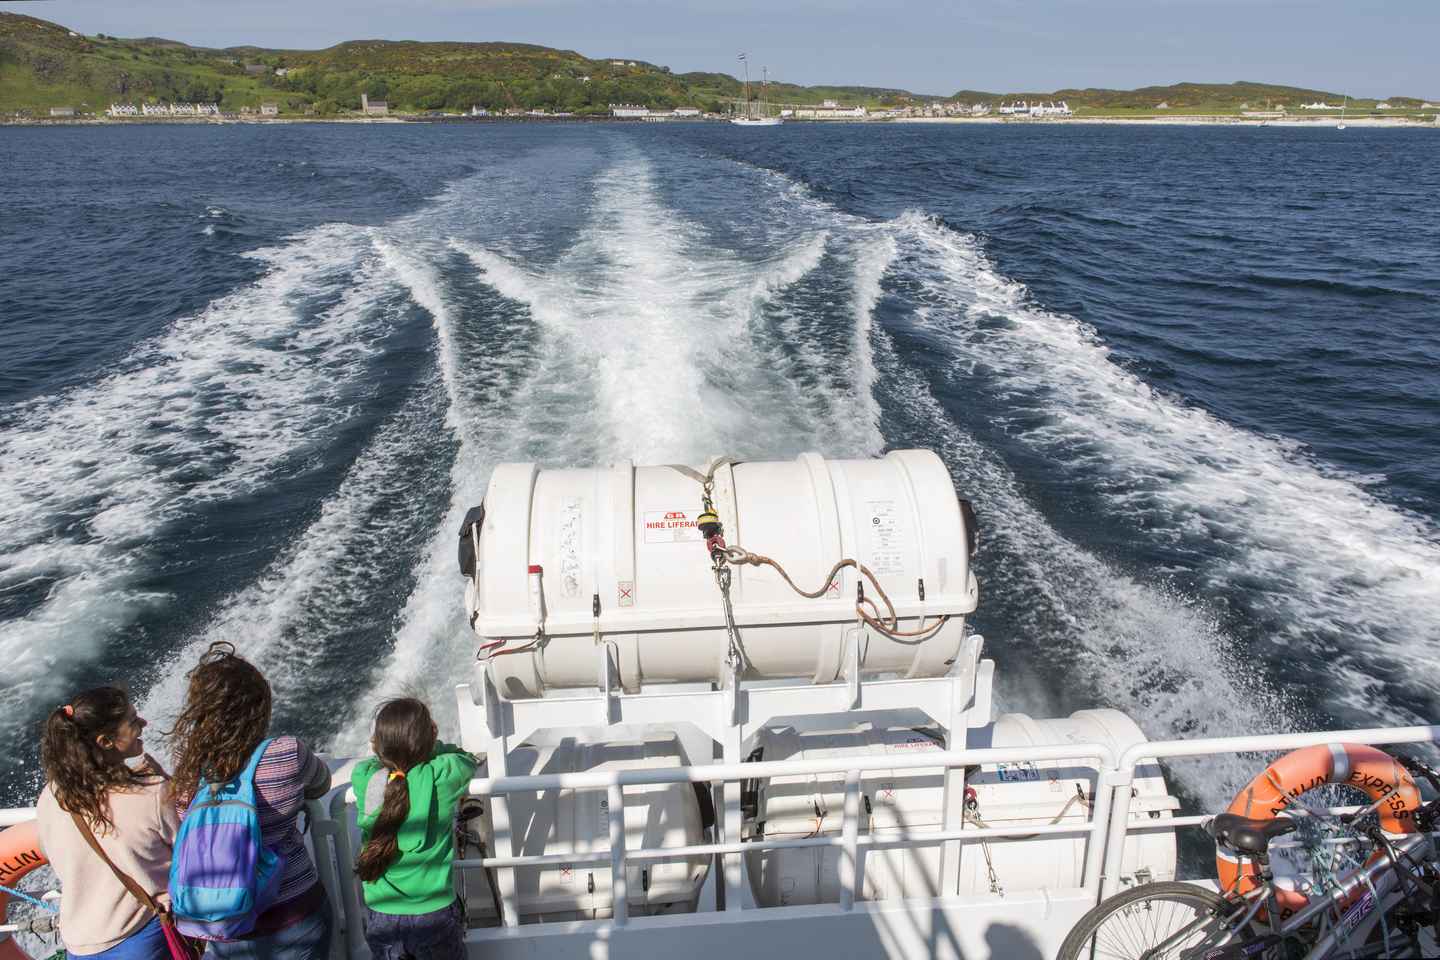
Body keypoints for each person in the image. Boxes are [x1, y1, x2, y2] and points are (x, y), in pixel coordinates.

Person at [168, 642, 332, 957]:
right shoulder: (285, 753)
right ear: (258, 707)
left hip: (221, 926)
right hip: (293, 914)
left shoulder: (187, 772)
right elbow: (321, 783)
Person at [34, 687, 177, 959]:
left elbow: (51, 849)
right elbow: (188, 852)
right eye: (134, 721)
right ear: (106, 741)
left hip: (80, 943)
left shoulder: (51, 794)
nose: (143, 723)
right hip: (140, 938)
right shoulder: (151, 793)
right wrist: (161, 778)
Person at [352, 698, 476, 959]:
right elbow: (465, 759)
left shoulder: (365, 779)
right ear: (431, 737)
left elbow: (371, 764)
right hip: (434, 914)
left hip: (383, 914)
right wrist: (432, 746)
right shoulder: (442, 775)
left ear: (377, 744)